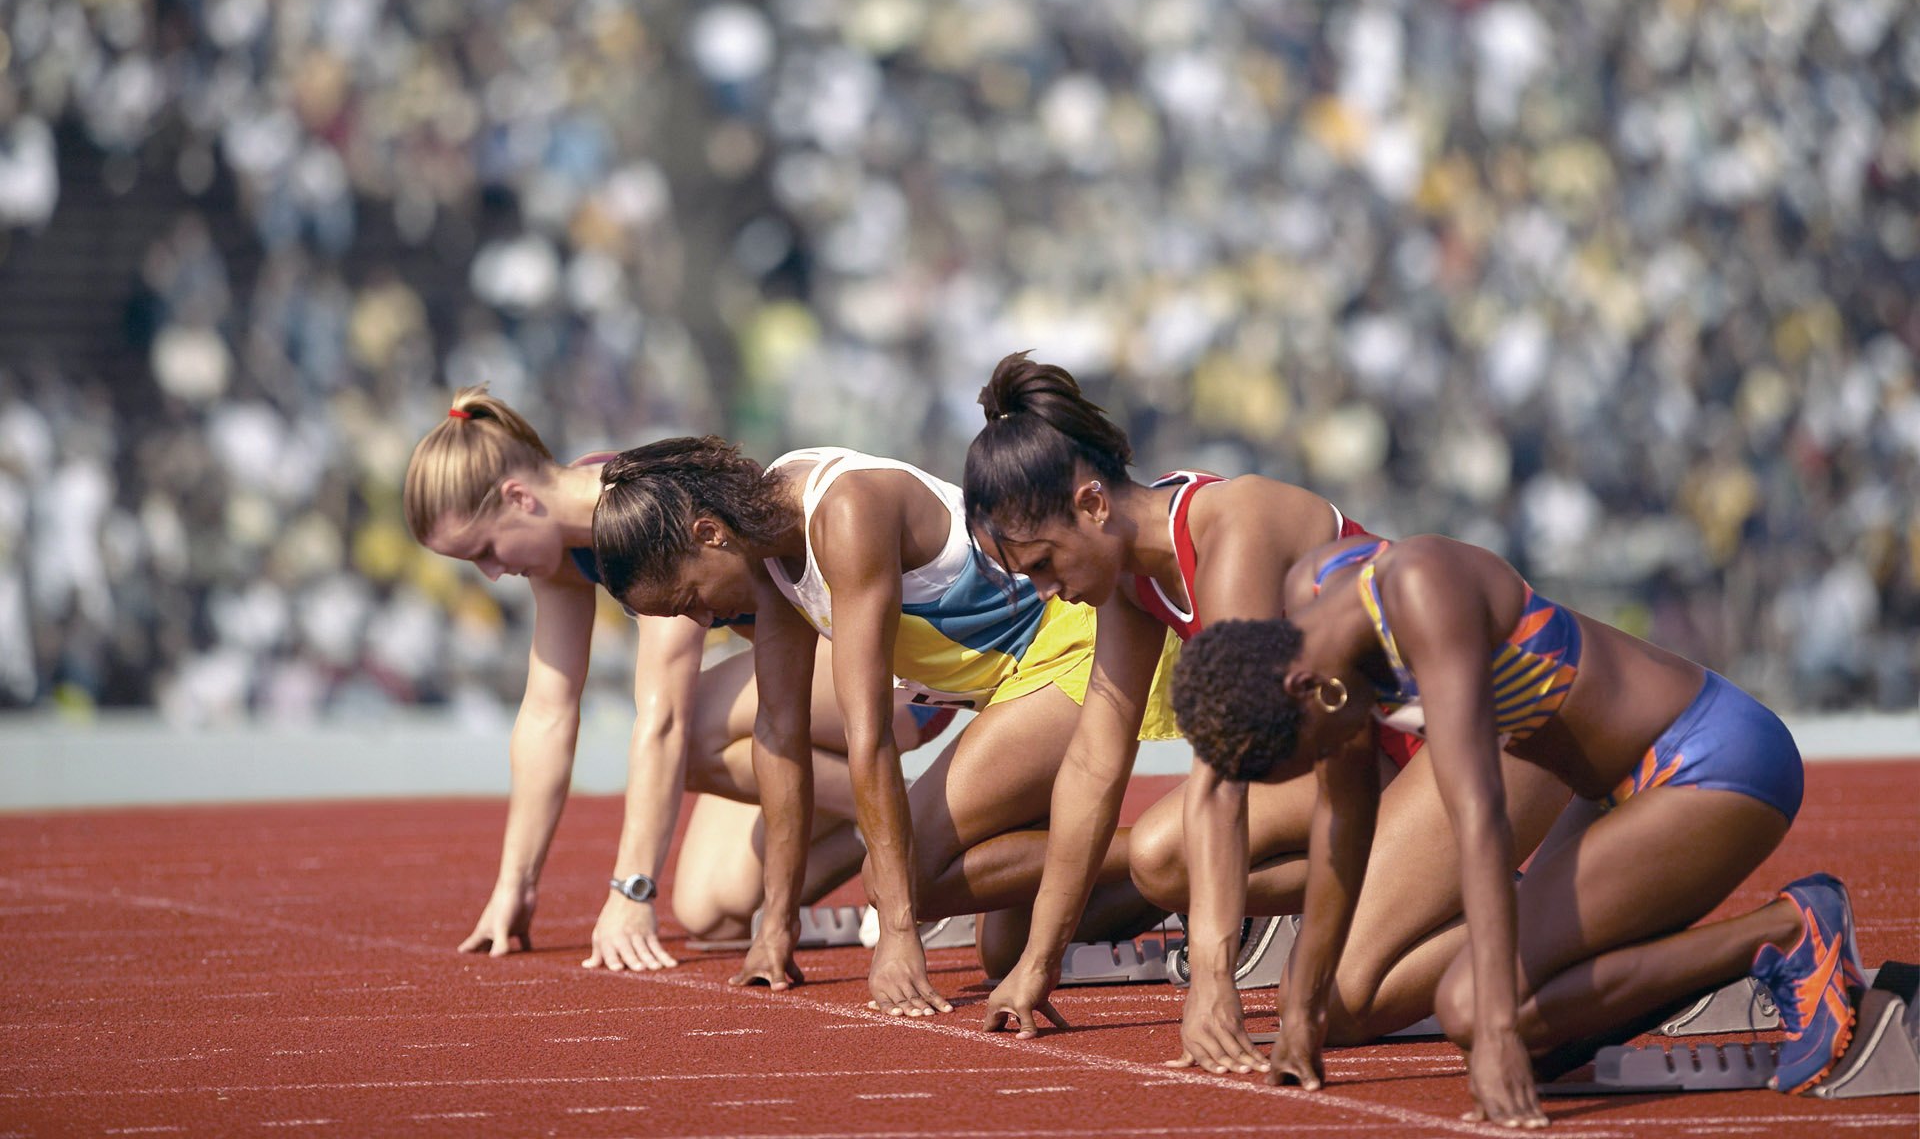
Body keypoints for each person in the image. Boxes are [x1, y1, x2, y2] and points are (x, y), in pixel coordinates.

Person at [960, 351, 1569, 1068]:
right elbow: (1094, 762)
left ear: (1093, 505)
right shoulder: (1126, 578)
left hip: (1498, 731)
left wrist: (1211, 978)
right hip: (1379, 760)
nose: (1045, 591)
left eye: (1042, 564)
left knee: (1334, 1003)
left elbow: (1227, 774)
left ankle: (1587, 921)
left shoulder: (1232, 529)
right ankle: (1432, 893)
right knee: (1160, 859)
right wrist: (1039, 960)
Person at [1171, 532, 1863, 1124]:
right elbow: (1343, 821)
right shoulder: (1311, 614)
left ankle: (1784, 933)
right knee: (1538, 1041)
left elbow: (1480, 818)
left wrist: (1498, 1028)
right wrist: (1302, 1016)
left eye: (1312, 750)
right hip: (1613, 794)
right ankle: (1695, 961)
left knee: (1479, 1012)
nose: (1327, 760)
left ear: (1303, 688)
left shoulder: (1420, 593)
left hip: (1710, 762)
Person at [591, 437, 1183, 1018]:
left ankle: (1205, 844)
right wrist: (777, 922)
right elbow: (779, 730)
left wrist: (900, 930)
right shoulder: (764, 538)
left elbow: (868, 733)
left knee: (906, 880)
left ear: (708, 534)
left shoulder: (843, 512)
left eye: (688, 597)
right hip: (1011, 688)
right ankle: (1193, 870)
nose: (700, 618)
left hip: (1075, 643)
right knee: (1003, 950)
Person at [404, 386, 931, 969]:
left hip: (890, 673)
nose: (494, 573)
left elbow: (665, 718)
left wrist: (631, 890)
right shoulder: (562, 550)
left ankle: (913, 836)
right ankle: (911, 833)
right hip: (800, 685)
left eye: (486, 551)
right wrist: (516, 883)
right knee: (713, 910)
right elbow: (548, 711)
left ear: (519, 498)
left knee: (694, 728)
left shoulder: (645, 515)